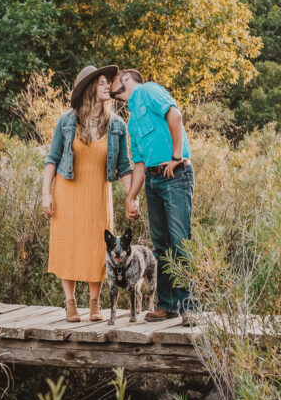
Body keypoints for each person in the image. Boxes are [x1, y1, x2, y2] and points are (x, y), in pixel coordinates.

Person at [41, 65, 138, 323]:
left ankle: (95, 303)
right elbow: (52, 159)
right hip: (68, 192)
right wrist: (46, 194)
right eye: (103, 83)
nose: (109, 87)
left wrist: (132, 197)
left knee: (99, 246)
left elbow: (125, 167)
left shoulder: (117, 125)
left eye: (108, 83)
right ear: (89, 88)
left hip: (98, 195)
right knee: (68, 245)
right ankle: (70, 303)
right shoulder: (67, 121)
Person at [109, 69, 194, 323]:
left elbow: (175, 115)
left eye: (113, 79)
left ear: (125, 78)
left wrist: (177, 157)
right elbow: (140, 165)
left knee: (180, 243)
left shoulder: (148, 91)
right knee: (161, 246)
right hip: (154, 181)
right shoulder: (132, 119)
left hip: (175, 176)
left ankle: (191, 308)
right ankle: (168, 305)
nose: (110, 84)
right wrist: (131, 197)